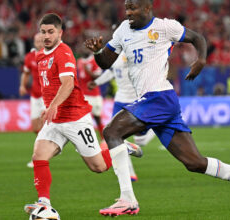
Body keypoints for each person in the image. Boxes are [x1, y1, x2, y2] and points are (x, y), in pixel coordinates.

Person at [85, 0, 230, 216]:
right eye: (126, 8)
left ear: (147, 8)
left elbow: (197, 38)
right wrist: (97, 52)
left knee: (112, 131)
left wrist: (201, 59)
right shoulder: (123, 30)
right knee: (194, 163)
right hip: (155, 102)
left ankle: (128, 198)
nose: (128, 12)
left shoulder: (165, 27)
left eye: (133, 8)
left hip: (159, 96)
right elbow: (106, 62)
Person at [23, 13, 143, 216]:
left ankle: (120, 148)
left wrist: (52, 106)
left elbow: (68, 84)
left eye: (51, 32)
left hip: (75, 118)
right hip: (55, 119)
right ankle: (44, 203)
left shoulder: (64, 53)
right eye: (43, 32)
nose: (46, 36)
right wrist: (49, 107)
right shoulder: (40, 55)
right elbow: (49, 86)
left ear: (60, 33)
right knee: (39, 155)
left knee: (98, 166)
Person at [88, 52, 156, 181]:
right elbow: (111, 72)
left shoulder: (137, 50)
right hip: (120, 101)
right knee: (115, 137)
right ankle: (130, 173)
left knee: (141, 141)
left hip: (137, 101)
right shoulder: (115, 53)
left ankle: (155, 126)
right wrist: (96, 82)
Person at [19, 33, 45, 168]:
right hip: (35, 96)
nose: (39, 43)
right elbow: (26, 73)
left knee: (44, 128)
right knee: (36, 128)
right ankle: (46, 149)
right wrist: (22, 85)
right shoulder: (29, 57)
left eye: (41, 40)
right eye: (37, 41)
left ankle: (39, 158)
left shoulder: (49, 55)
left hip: (47, 97)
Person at [77, 47, 105, 139]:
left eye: (86, 48)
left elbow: (97, 76)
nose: (83, 50)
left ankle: (103, 138)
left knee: (97, 118)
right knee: (84, 120)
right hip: (83, 95)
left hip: (94, 95)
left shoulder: (94, 60)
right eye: (82, 48)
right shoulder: (79, 61)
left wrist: (88, 71)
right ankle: (89, 140)